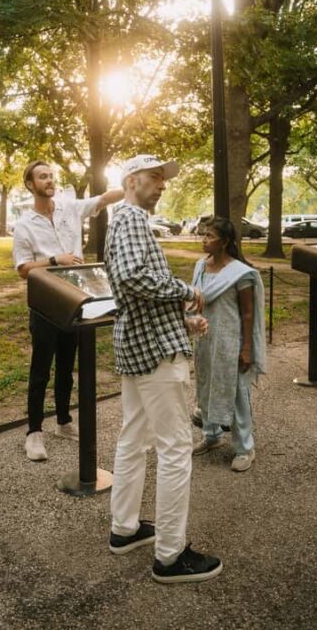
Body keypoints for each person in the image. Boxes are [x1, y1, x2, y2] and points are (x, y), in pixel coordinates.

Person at [104, 154, 222, 585]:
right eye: (156, 177)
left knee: (133, 438)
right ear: (132, 180)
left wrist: (181, 318)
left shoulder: (123, 219)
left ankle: (125, 528)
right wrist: (185, 291)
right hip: (154, 353)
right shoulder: (132, 217)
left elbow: (132, 290)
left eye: (163, 179)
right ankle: (170, 556)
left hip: (138, 344)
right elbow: (135, 277)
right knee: (175, 449)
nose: (163, 185)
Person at [13, 160, 124, 461]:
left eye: (51, 175)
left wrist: (132, 187)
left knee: (67, 366)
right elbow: (23, 268)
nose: (49, 180)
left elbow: (103, 199)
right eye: (42, 176)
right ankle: (34, 433)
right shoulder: (24, 225)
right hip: (45, 303)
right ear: (30, 184)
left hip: (77, 298)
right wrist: (54, 260)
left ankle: (64, 421)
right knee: (41, 370)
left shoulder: (69, 207)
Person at [191, 216, 267, 472]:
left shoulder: (239, 273)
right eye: (203, 234)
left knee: (236, 394)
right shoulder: (201, 266)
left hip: (230, 341)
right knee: (206, 386)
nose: (203, 240)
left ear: (224, 242)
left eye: (209, 236)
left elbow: (248, 313)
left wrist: (246, 348)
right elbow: (194, 300)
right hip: (205, 338)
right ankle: (211, 436)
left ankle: (245, 447)